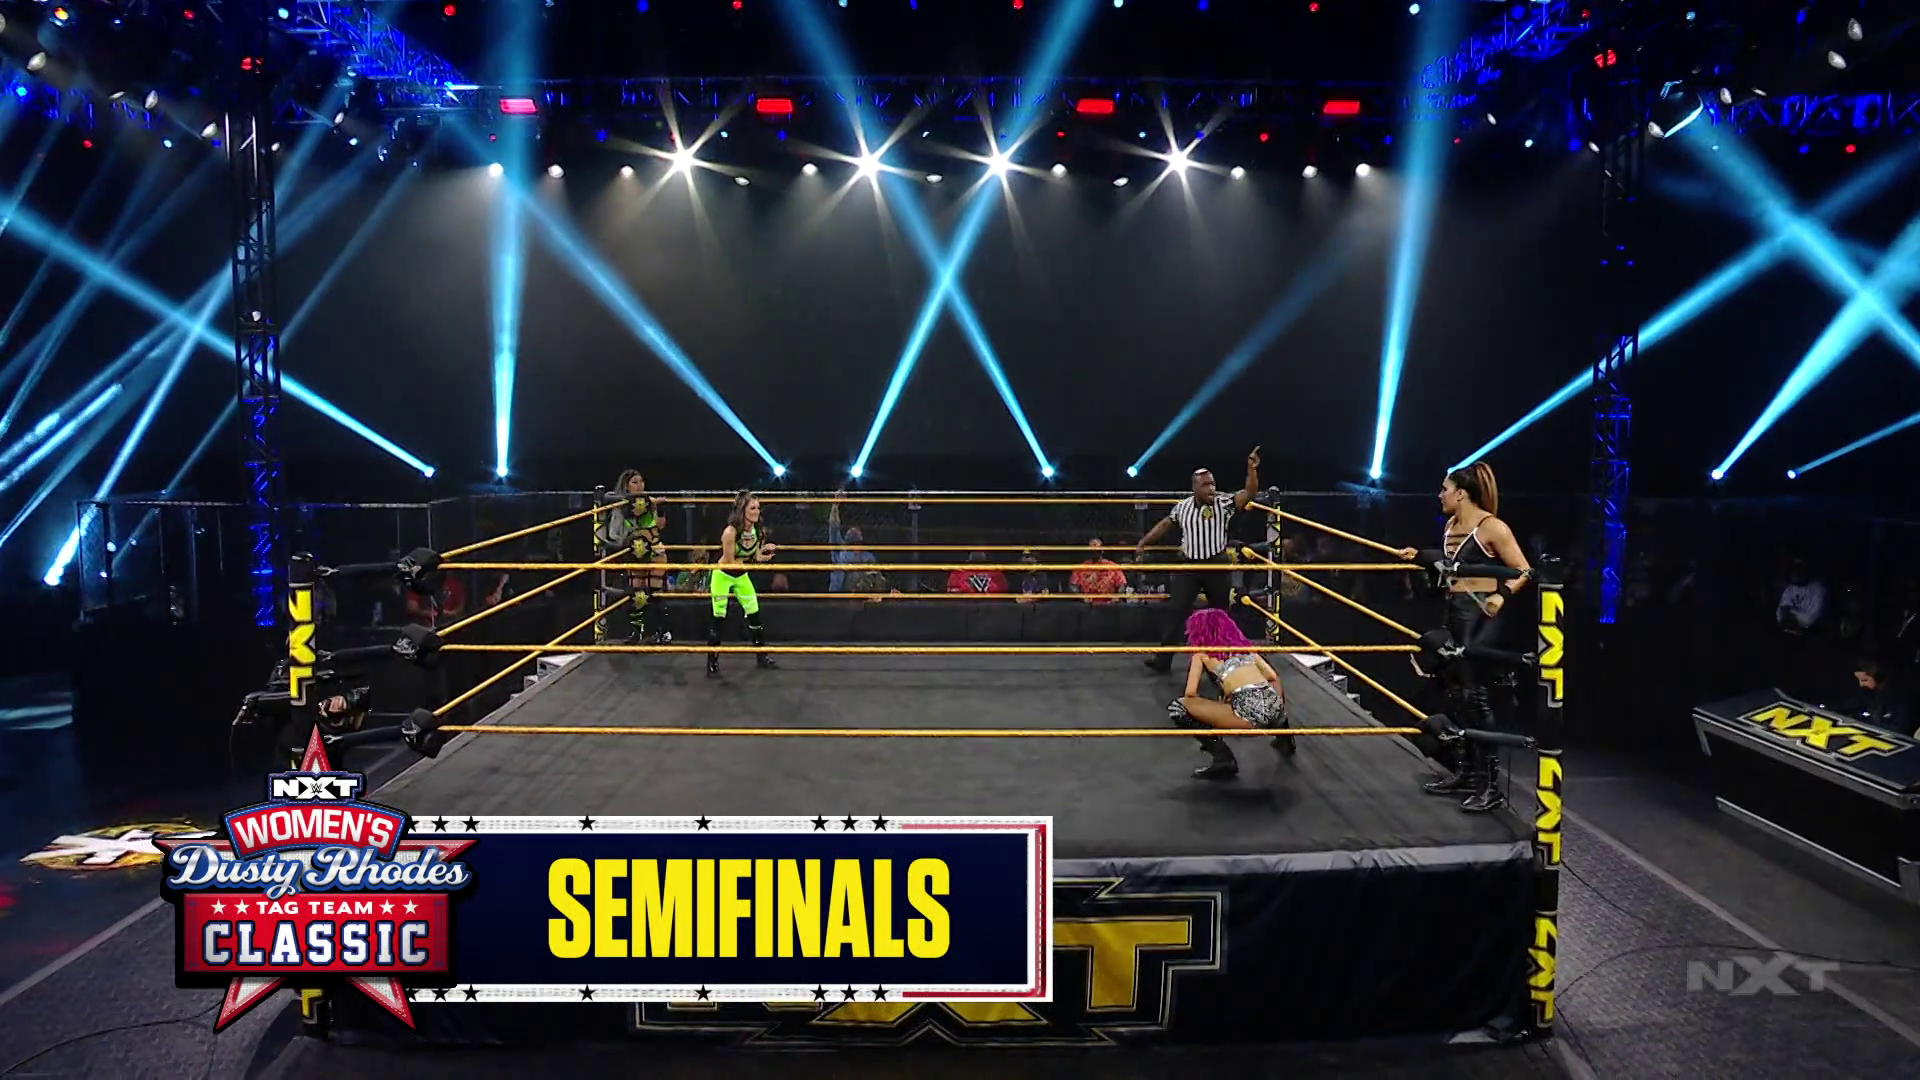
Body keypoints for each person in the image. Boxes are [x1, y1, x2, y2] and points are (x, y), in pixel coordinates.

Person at [1397, 460, 1532, 814]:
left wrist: (1502, 595)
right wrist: (1420, 557)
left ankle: (1490, 785)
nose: (1440, 495)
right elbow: (1450, 569)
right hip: (1454, 611)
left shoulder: (1492, 527)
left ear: (1461, 493)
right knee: (1456, 695)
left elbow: (1524, 570)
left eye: (1445, 489)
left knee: (1476, 697)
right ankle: (1467, 774)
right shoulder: (1450, 526)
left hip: (1480, 616)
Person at [1138, 447, 1262, 672]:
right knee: (1176, 610)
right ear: (1194, 488)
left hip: (1216, 565)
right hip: (1190, 567)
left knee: (1220, 615)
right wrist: (1143, 542)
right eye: (1205, 485)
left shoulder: (1223, 503)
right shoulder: (1183, 507)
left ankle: (1221, 661)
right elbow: (1165, 524)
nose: (1211, 488)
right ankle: (1163, 660)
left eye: (1212, 484)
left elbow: (1249, 493)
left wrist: (1251, 470)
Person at [1165, 609, 1291, 780]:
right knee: (1270, 687)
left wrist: (1211, 714)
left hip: (1248, 713)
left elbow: (1190, 693)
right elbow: (1272, 676)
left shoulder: (1202, 654)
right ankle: (1285, 737)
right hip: (1275, 709)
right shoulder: (1245, 649)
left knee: (1178, 707)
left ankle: (1222, 757)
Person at [708, 491, 778, 677]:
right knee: (719, 617)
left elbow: (753, 556)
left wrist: (764, 555)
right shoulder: (730, 532)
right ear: (742, 510)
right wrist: (753, 562)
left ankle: (761, 656)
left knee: (755, 613)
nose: (757, 512)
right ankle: (712, 662)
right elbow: (731, 562)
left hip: (741, 575)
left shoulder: (758, 531)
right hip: (723, 575)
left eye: (758, 508)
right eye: (752, 508)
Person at [609, 469, 670, 643]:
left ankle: (662, 632)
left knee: (655, 591)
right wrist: (651, 503)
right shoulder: (624, 504)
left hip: (654, 548)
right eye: (635, 482)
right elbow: (620, 528)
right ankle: (637, 632)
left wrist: (658, 508)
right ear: (627, 486)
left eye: (641, 481)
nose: (640, 485)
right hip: (636, 550)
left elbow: (660, 525)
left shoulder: (649, 501)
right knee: (637, 593)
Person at [827, 490, 880, 592]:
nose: (852, 531)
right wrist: (835, 505)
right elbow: (833, 528)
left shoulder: (868, 557)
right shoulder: (840, 552)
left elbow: (876, 578)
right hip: (841, 594)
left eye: (856, 531)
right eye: (850, 531)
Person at [1852, 657, 1915, 739]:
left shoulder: (1900, 699)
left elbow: (1899, 731)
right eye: (1861, 669)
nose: (1864, 673)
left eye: (1867, 667)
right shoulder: (1864, 695)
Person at [1070, 539, 1127, 603]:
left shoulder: (1113, 566)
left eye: (1097, 550)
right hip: (1087, 604)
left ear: (1102, 550)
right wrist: (1081, 597)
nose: (1095, 553)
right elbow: (1073, 585)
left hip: (1109, 603)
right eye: (1092, 551)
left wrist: (1117, 596)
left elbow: (1122, 584)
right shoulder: (1081, 568)